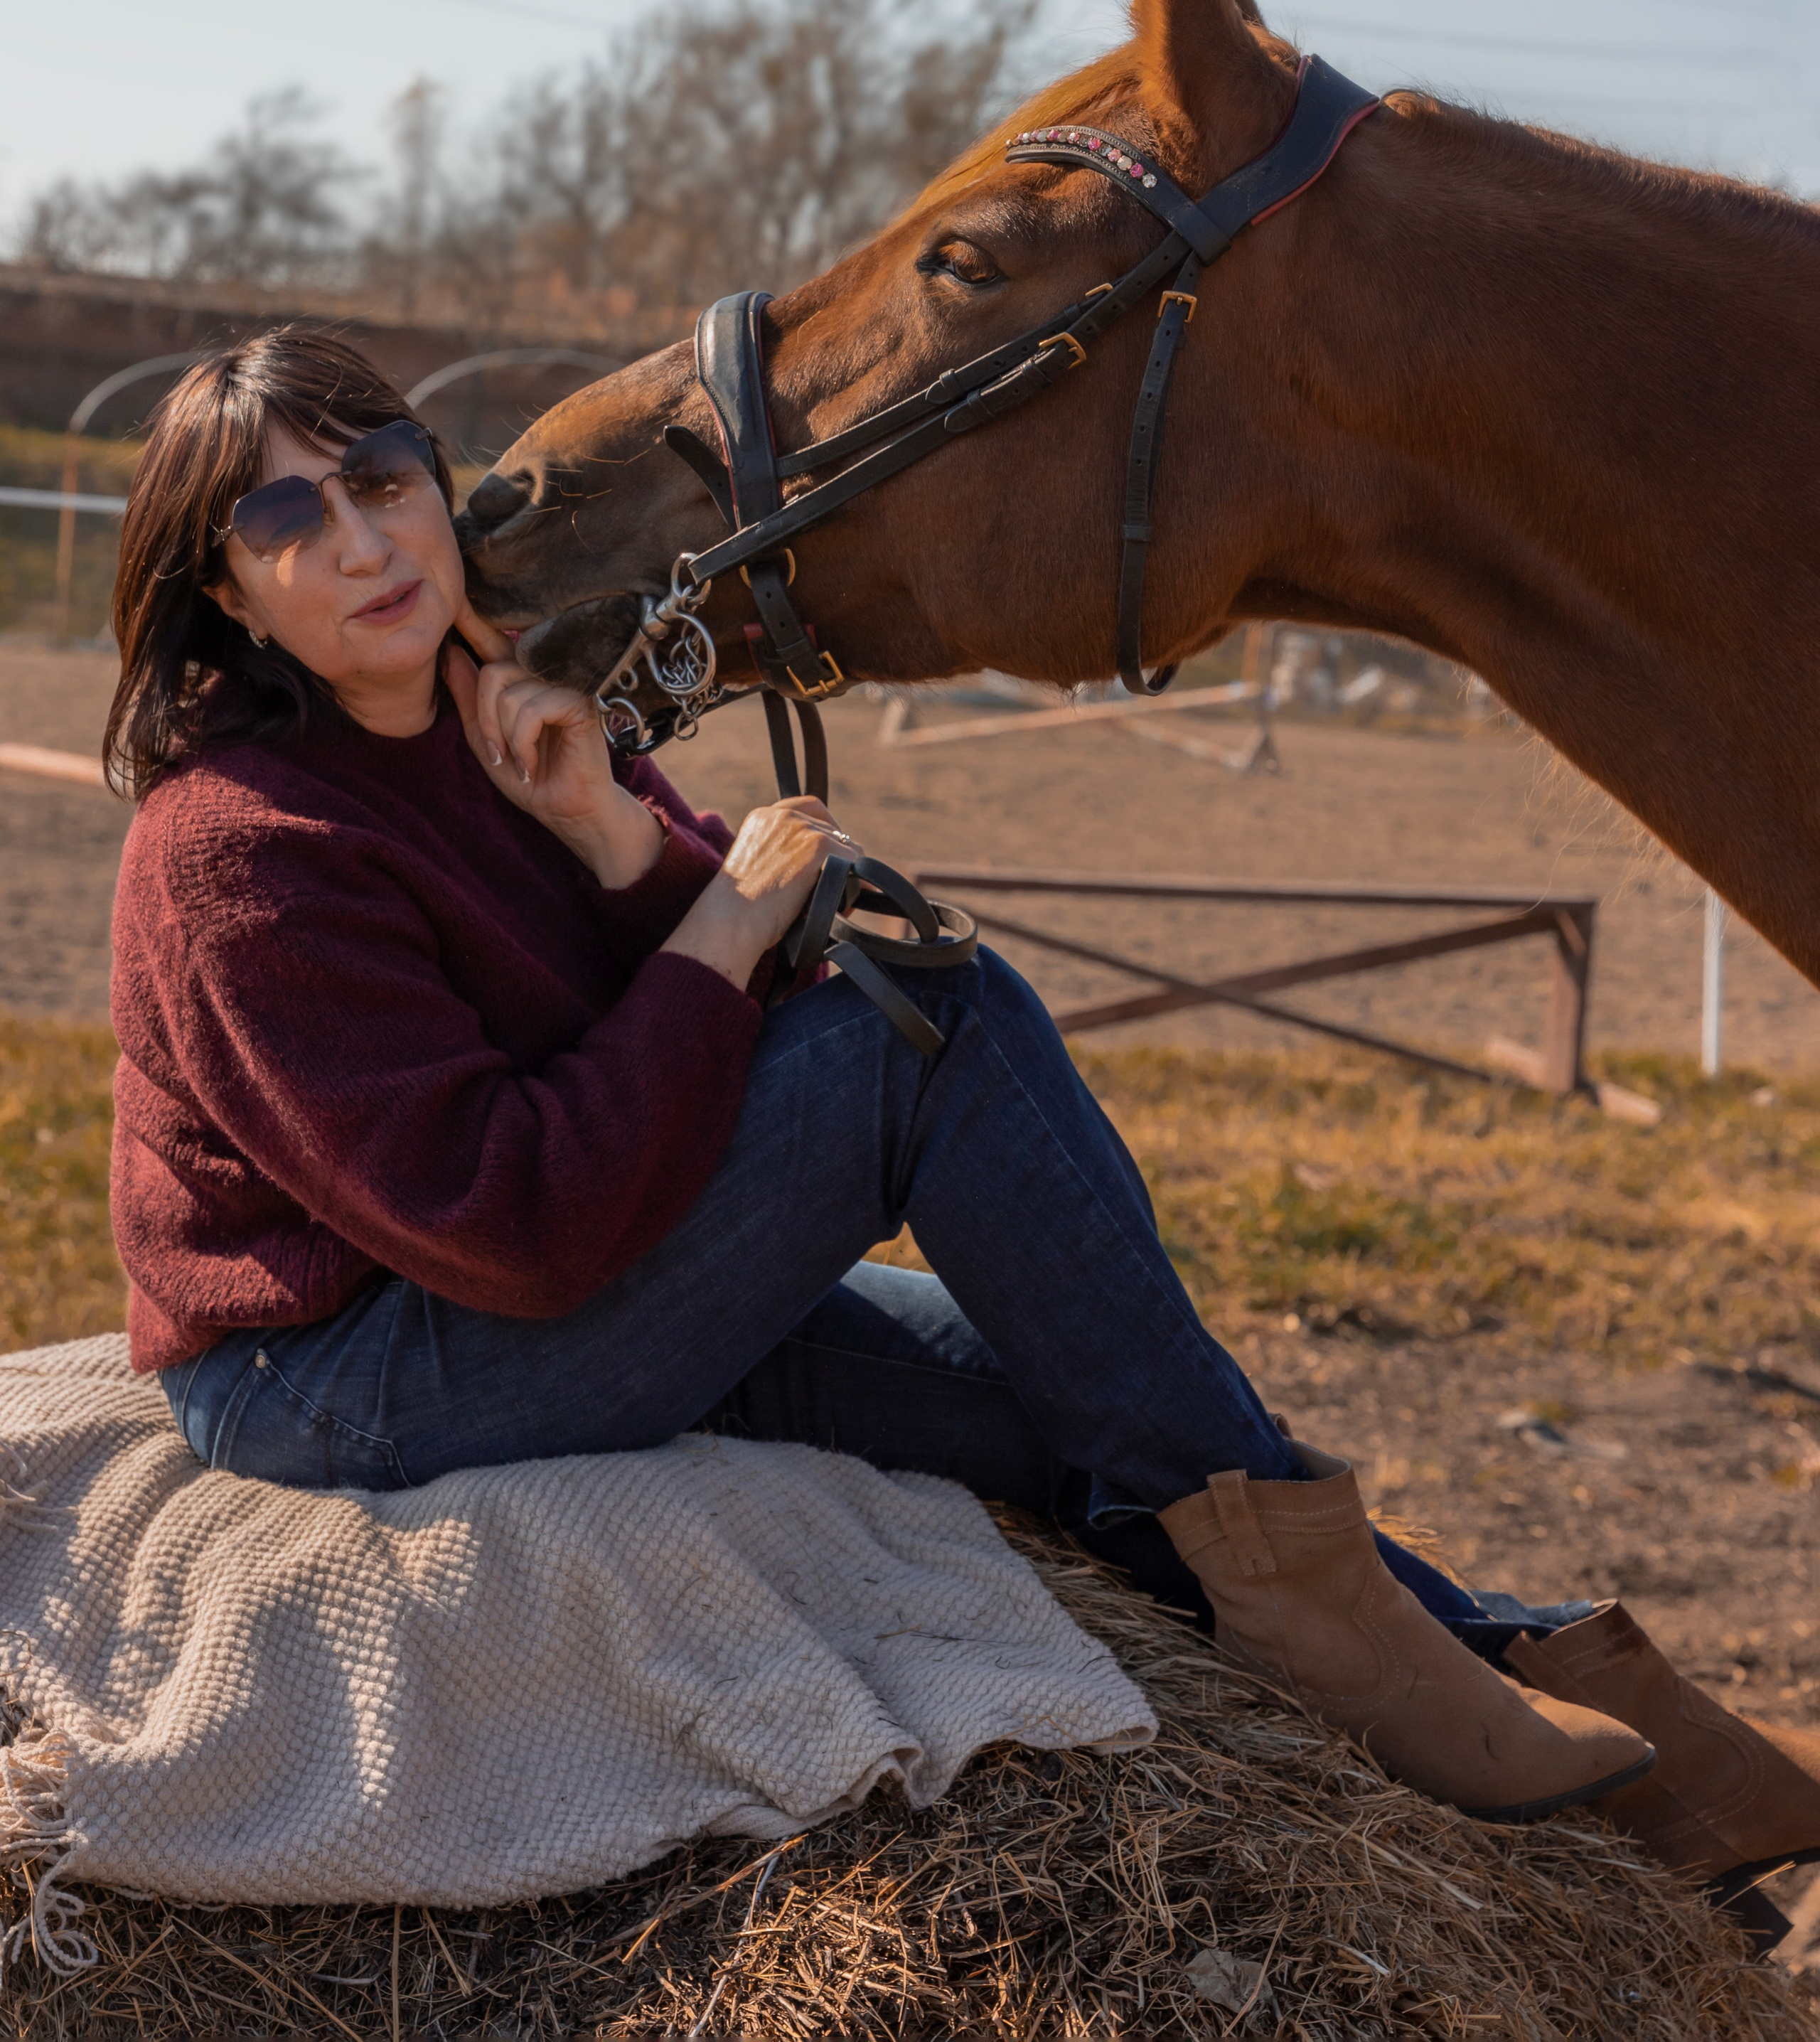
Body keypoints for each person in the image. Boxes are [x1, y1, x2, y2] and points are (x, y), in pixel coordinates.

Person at [104, 329, 1820, 1881]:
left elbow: (738, 984)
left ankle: (1594, 1730)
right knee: (921, 1017)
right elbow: (521, 1218)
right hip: (343, 1367)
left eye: (384, 477)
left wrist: (616, 842)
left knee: (1077, 1393)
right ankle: (1369, 1649)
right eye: (283, 521)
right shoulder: (241, 848)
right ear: (233, 597)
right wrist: (713, 910)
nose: (362, 538)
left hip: (545, 1274)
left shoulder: (510, 719)